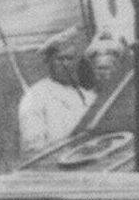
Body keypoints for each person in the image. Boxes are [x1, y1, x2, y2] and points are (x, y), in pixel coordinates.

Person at [16, 28, 94, 157]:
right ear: (49, 62)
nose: (66, 64)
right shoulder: (35, 97)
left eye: (70, 58)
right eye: (60, 59)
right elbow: (33, 149)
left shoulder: (86, 95)